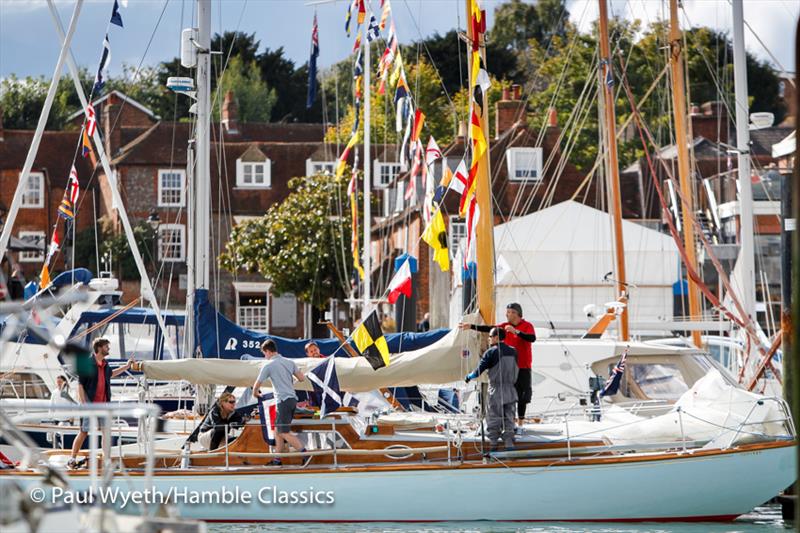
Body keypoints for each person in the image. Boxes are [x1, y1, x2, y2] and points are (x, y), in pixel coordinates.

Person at [460, 302, 536, 422]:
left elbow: (532, 338)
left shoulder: (527, 325)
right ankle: (508, 421)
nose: (508, 314)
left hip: (523, 366)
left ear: (518, 314)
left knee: (522, 397)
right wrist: (471, 326)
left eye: (511, 312)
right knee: (508, 395)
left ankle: (521, 422)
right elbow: (489, 328)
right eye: (508, 312)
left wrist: (516, 332)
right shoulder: (504, 326)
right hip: (508, 368)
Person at [68, 338, 133, 469]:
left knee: (105, 432)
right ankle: (72, 458)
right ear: (99, 347)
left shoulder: (105, 364)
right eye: (106, 346)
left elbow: (112, 374)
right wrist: (84, 404)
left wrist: (126, 366)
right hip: (90, 405)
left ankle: (106, 460)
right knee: (83, 432)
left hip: (104, 406)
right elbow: (80, 385)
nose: (108, 348)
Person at [252, 339, 309, 466]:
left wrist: (255, 393)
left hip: (282, 401)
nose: (265, 356)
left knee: (283, 432)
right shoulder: (289, 362)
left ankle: (306, 454)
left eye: (264, 354)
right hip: (292, 399)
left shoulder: (268, 365)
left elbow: (257, 384)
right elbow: (301, 378)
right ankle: (277, 460)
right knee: (278, 432)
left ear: (267, 351)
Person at [464, 327, 518, 451]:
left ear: (496, 337)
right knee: (509, 416)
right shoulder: (514, 351)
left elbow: (478, 371)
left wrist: (468, 377)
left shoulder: (491, 352)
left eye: (490, 336)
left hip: (496, 390)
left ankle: (493, 444)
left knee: (494, 416)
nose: (488, 339)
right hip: (511, 389)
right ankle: (509, 443)